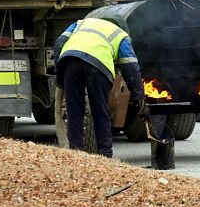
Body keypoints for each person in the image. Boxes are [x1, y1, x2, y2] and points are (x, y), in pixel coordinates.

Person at [54, 17, 149, 158]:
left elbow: (59, 42)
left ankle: (75, 154)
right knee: (100, 111)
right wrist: (138, 95)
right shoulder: (121, 35)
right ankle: (105, 155)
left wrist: (59, 75)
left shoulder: (81, 23)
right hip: (97, 67)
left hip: (70, 61)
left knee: (74, 111)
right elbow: (131, 67)